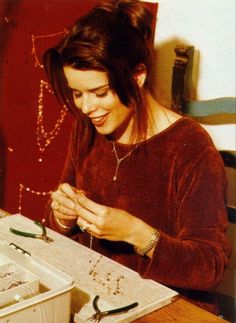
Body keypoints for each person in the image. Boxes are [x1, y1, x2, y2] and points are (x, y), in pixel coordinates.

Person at [43, 0, 231, 315]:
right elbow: (60, 218)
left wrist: (137, 234)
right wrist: (63, 214)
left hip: (166, 309)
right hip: (96, 297)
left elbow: (210, 267)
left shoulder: (191, 148)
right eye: (77, 93)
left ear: (138, 76)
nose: (87, 108)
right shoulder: (87, 129)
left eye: (100, 92)